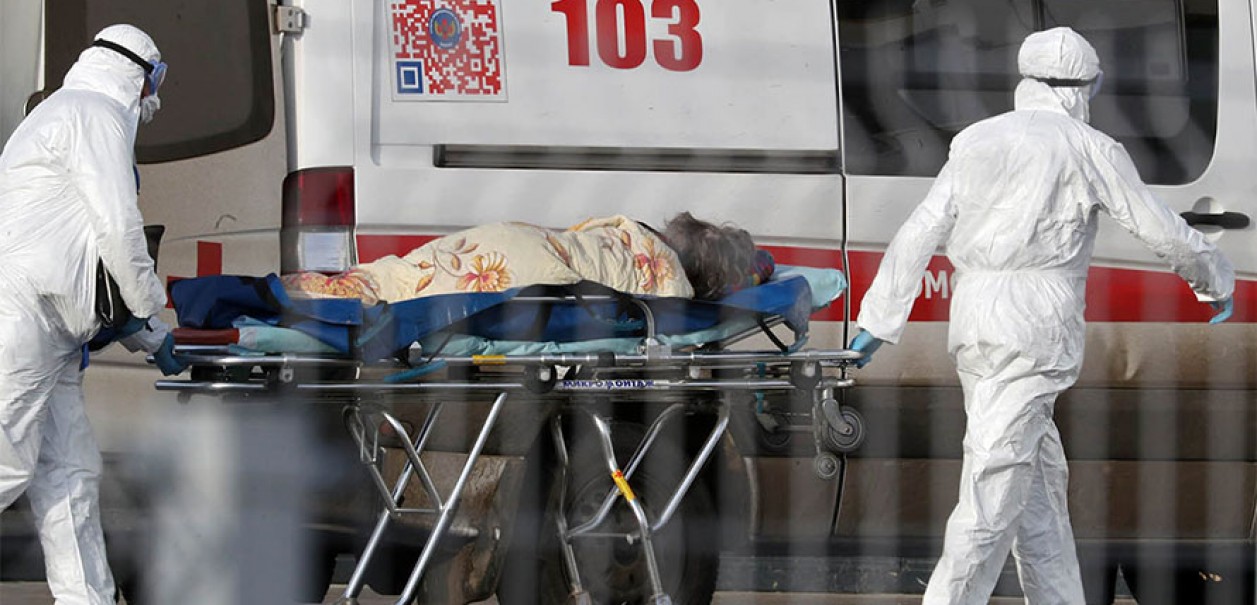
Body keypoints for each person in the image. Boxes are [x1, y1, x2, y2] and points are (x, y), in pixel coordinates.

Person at [848, 27, 1234, 605]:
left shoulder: (975, 140)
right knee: (991, 494)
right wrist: (1215, 280)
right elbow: (1161, 229)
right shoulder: (1089, 147)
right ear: (1083, 86)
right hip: (1034, 328)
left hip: (975, 321)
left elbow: (921, 228)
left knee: (1038, 495)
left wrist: (878, 320)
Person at [0, 24, 185, 603]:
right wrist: (154, 317)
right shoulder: (94, 115)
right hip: (24, 319)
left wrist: (147, 335)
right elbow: (118, 231)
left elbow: (87, 258)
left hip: (51, 332)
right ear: (137, 74)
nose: (154, 99)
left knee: (70, 474)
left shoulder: (65, 113)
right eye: (155, 81)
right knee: (5, 465)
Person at [284, 212, 773, 304]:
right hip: (531, 262)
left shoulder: (628, 232)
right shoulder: (671, 280)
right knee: (422, 289)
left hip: (513, 237)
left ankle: (309, 288)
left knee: (410, 273)